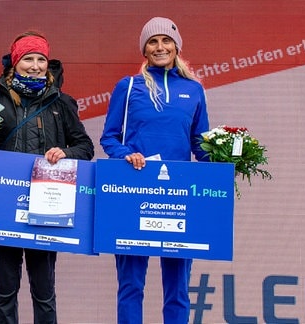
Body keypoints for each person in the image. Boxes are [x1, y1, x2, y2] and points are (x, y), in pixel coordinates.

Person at [0, 31, 94, 324]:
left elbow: (85, 147)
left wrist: (65, 152)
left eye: (41, 59)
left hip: (46, 207)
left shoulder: (62, 103)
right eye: (28, 58)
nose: (35, 65)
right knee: (5, 289)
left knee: (44, 291)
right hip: (5, 208)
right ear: (15, 63)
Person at [100, 17, 210, 324]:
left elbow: (200, 143)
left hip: (176, 197)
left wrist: (224, 160)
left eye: (165, 41)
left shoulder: (193, 89)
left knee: (178, 288)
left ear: (176, 46)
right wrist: (127, 154)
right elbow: (109, 137)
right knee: (131, 285)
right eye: (152, 41)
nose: (159, 47)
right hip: (134, 193)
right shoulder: (129, 86)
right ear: (144, 50)